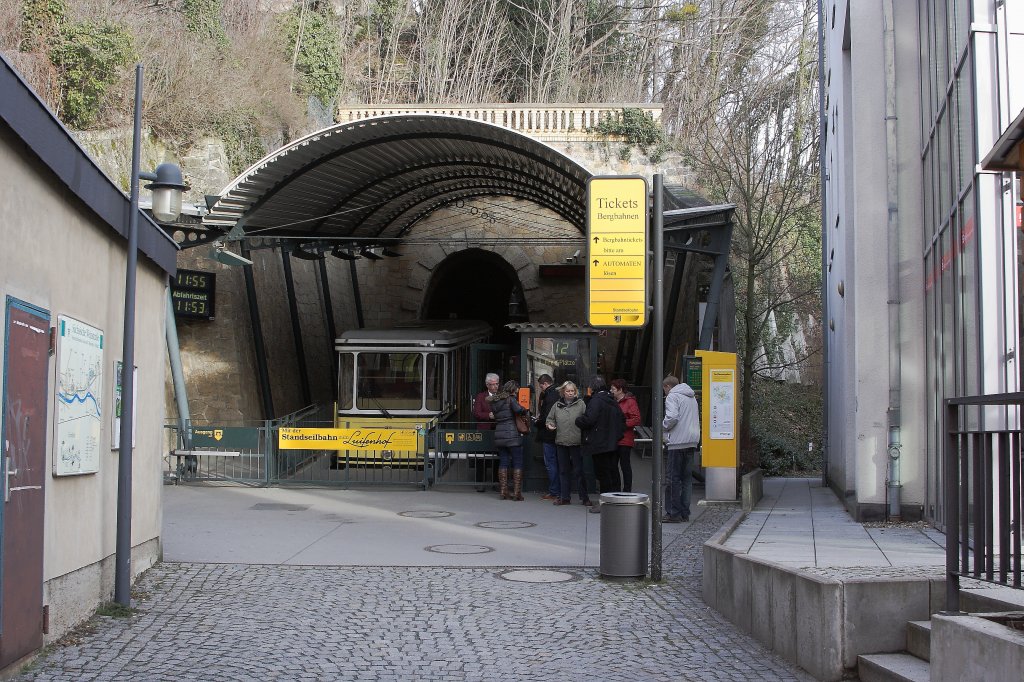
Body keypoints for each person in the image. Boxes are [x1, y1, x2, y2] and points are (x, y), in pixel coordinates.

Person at [575, 375, 625, 513]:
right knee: (612, 473)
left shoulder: (597, 401)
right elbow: (622, 421)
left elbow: (589, 420)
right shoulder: (612, 401)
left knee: (603, 475)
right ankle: (614, 501)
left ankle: (605, 503)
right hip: (612, 443)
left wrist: (578, 420)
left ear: (592, 388)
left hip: (600, 443)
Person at [662, 375, 700, 523]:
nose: (664, 392)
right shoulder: (691, 397)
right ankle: (685, 512)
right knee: (686, 479)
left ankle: (673, 512)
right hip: (691, 441)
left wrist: (663, 426)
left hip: (677, 442)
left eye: (664, 389)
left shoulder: (672, 396)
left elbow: (672, 417)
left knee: (673, 479)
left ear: (667, 387)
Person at [545, 380, 587, 506]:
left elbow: (587, 419)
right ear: (563, 392)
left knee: (579, 471)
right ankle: (565, 497)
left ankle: (584, 498)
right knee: (563, 471)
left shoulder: (581, 404)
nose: (570, 393)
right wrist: (550, 425)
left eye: (572, 391)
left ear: (575, 392)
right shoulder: (557, 405)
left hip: (576, 442)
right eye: (567, 391)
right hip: (561, 442)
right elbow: (549, 419)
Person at [488, 379, 530, 500]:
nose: (517, 391)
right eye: (516, 389)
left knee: (503, 462)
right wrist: (525, 408)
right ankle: (516, 493)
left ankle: (503, 491)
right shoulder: (511, 399)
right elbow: (519, 410)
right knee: (517, 462)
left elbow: (496, 415)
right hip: (512, 435)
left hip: (499, 435)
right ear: (513, 389)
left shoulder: (495, 401)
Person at [609, 378, 641, 493]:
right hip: (613, 438)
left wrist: (621, 424)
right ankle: (616, 489)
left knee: (624, 465)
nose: (611, 391)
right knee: (613, 465)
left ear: (620, 390)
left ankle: (627, 490)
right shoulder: (612, 401)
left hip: (625, 438)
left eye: (613, 389)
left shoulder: (630, 402)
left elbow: (636, 419)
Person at [471, 373, 500, 491]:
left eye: (497, 384)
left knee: (497, 458)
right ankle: (480, 483)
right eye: (492, 384)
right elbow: (476, 413)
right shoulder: (480, 396)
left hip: (498, 430)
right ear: (487, 385)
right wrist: (488, 415)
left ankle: (496, 483)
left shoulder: (502, 396)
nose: (495, 387)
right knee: (481, 457)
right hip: (484, 430)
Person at [534, 374, 560, 501]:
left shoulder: (550, 395)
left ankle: (554, 491)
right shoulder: (557, 393)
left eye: (541, 386)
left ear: (545, 384)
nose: (541, 389)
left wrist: (536, 422)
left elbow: (546, 418)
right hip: (557, 434)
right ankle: (558, 490)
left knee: (550, 463)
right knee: (557, 462)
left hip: (549, 434)